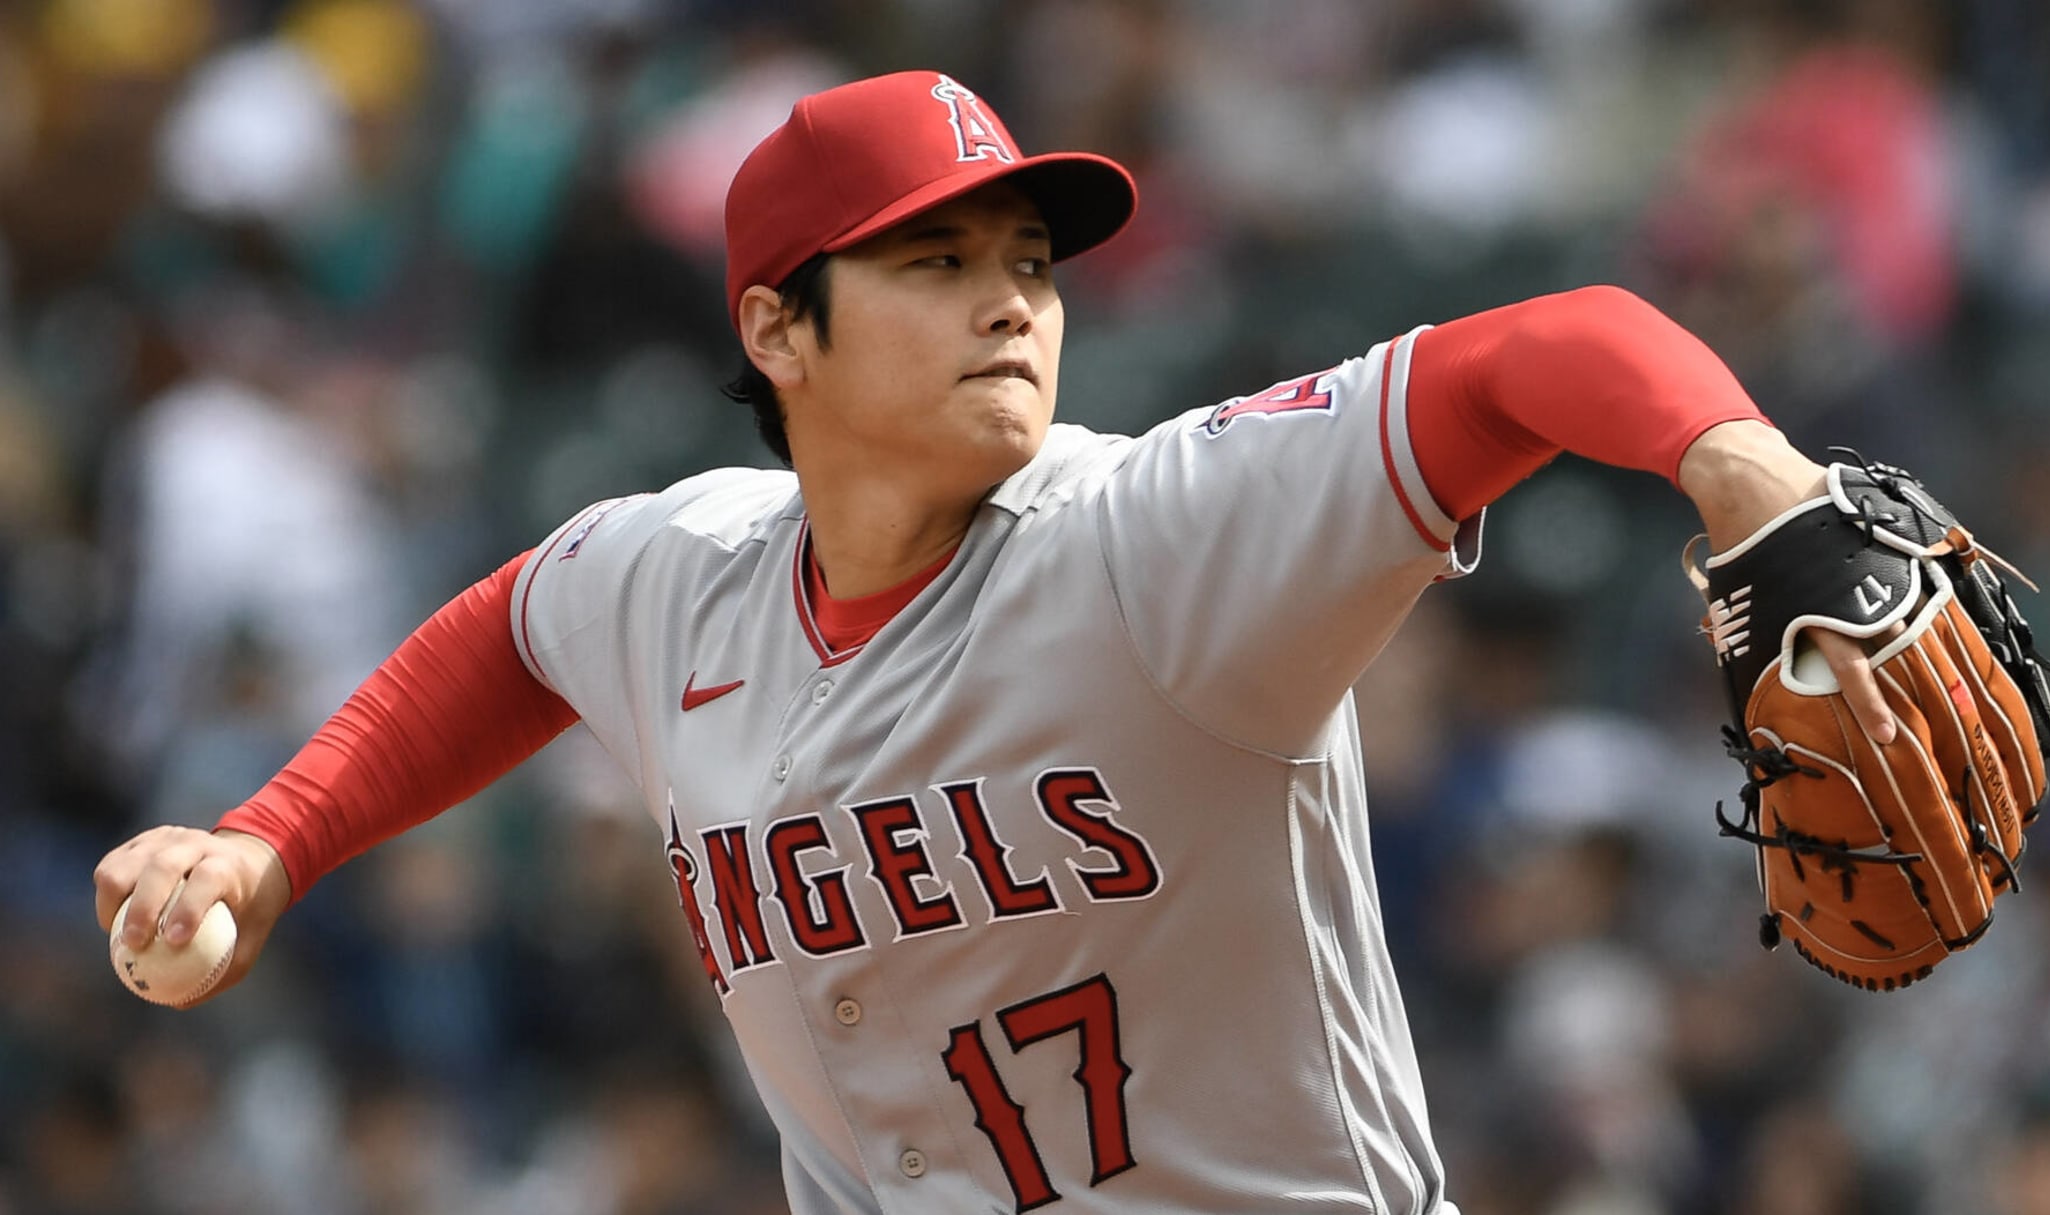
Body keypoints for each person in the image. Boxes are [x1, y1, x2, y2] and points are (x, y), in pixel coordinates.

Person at [95, 70, 1900, 1214]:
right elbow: (513, 629)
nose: (1013, 299)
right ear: (779, 332)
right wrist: (270, 838)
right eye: (936, 262)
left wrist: (1741, 467)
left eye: (1027, 255)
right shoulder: (680, 577)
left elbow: (1539, 348)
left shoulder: (1162, 537)